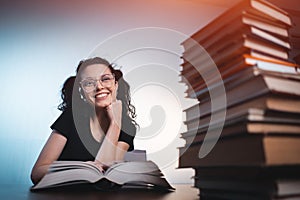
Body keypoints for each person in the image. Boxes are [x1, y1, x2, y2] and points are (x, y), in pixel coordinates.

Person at [31, 57, 137, 185]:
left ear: (115, 84)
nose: (99, 87)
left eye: (105, 79)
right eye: (89, 83)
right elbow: (37, 173)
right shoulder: (71, 117)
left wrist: (115, 123)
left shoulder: (126, 127)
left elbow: (105, 174)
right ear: (81, 91)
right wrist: (80, 170)